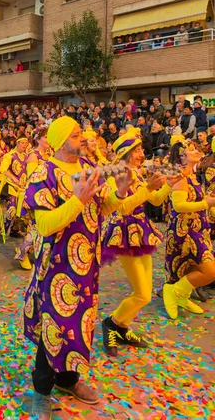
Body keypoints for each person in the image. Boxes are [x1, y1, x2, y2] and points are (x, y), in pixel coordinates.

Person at [23, 116, 133, 418]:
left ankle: (68, 380)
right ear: (59, 140)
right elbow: (44, 225)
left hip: (86, 265)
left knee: (79, 324)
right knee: (53, 327)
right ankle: (42, 390)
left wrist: (120, 191)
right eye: (74, 134)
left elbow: (103, 206)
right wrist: (76, 201)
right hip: (56, 266)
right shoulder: (42, 173)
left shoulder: (88, 165)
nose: (82, 137)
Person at [101, 128, 180, 357]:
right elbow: (122, 207)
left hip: (141, 231)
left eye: (140, 150)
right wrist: (148, 188)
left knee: (142, 292)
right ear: (125, 152)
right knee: (143, 294)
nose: (141, 154)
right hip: (125, 233)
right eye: (136, 150)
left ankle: (123, 328)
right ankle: (111, 323)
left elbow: (153, 198)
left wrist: (167, 185)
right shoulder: (118, 173)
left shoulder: (135, 171)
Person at [163, 139, 215, 319]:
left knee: (191, 268)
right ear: (183, 157)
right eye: (193, 150)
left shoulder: (191, 175)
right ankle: (172, 291)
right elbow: (179, 206)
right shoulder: (180, 176)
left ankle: (182, 296)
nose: (198, 151)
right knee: (210, 271)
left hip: (197, 230)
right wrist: (205, 203)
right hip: (185, 232)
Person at [15, 127, 50, 270]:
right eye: (46, 137)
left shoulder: (49, 154)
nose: (49, 140)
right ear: (37, 139)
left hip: (48, 195)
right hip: (36, 196)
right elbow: (32, 179)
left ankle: (38, 254)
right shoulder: (33, 155)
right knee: (35, 228)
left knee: (44, 228)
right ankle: (22, 253)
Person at [0, 137, 29, 237]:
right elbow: (3, 169)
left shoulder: (27, 156)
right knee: (12, 208)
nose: (24, 145)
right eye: (22, 143)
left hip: (23, 187)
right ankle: (3, 229)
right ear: (17, 143)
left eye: (26, 143)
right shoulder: (10, 155)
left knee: (20, 210)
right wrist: (14, 178)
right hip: (12, 186)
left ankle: (14, 230)